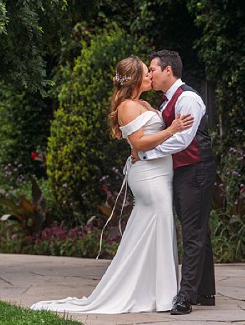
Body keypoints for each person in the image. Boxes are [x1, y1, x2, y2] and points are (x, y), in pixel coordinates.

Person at [30, 56, 194, 314]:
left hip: (160, 173)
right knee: (159, 226)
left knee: (157, 230)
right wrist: (172, 129)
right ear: (136, 79)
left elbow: (145, 140)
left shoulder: (144, 103)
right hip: (149, 177)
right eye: (146, 73)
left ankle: (158, 293)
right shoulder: (127, 107)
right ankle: (160, 295)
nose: (151, 76)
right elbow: (139, 143)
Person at [133, 50, 216, 315]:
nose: (150, 75)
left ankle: (185, 297)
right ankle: (205, 292)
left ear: (168, 70)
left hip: (197, 170)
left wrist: (147, 154)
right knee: (199, 230)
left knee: (193, 233)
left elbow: (183, 140)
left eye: (153, 70)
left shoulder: (188, 98)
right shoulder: (167, 101)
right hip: (183, 171)